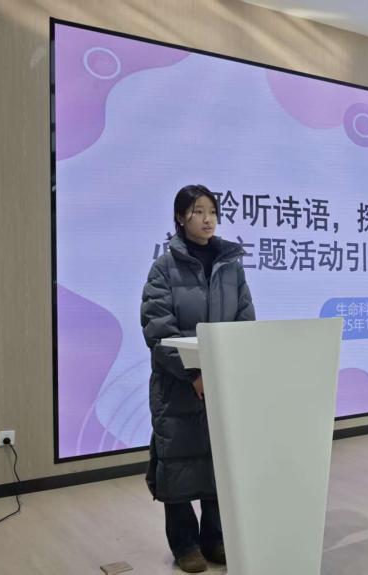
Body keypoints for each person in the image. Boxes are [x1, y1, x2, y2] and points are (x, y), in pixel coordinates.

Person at [141, 184, 255, 573]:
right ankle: (185, 544)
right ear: (180, 217)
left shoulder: (231, 265)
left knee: (219, 461)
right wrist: (193, 373)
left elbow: (245, 319)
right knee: (177, 461)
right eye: (198, 211)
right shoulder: (164, 267)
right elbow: (158, 328)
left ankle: (215, 538)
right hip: (177, 385)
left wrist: (230, 370)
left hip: (223, 383)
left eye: (212, 212)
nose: (208, 219)